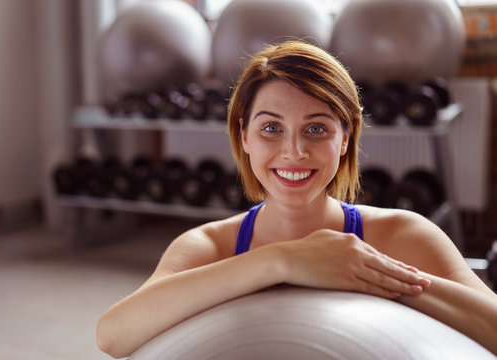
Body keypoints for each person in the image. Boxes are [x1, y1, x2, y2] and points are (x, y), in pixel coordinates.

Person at [97, 41, 497, 358]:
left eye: (317, 129)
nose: (294, 152)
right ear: (245, 136)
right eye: (271, 127)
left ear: (345, 138)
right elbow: (113, 336)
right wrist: (282, 261)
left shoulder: (402, 234)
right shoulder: (209, 246)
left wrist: (373, 276)